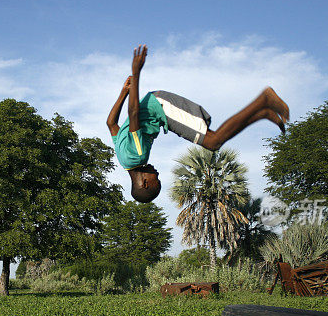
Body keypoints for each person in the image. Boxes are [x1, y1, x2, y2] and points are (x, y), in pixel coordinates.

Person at [106, 44, 289, 202]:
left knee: (213, 142)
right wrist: (123, 92)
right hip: (161, 112)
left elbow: (134, 113)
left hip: (162, 107)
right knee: (212, 141)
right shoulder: (124, 160)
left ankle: (264, 100)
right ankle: (263, 113)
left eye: (157, 181)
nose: (158, 175)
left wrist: (136, 73)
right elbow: (111, 123)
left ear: (144, 183)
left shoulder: (137, 156)